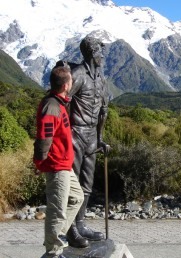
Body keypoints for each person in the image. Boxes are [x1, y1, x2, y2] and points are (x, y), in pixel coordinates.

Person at [33, 66, 85, 258]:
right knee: (57, 211)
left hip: (64, 164)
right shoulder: (51, 106)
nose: (72, 83)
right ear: (66, 85)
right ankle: (53, 254)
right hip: (56, 166)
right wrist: (40, 162)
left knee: (77, 198)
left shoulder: (60, 103)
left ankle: (57, 237)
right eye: (71, 81)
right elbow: (44, 138)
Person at [65, 35, 111, 246]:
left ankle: (81, 223)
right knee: (71, 184)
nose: (103, 56)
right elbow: (61, 102)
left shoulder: (100, 78)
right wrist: (64, 133)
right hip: (75, 134)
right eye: (100, 52)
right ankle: (70, 229)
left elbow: (104, 110)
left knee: (87, 184)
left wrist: (100, 138)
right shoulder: (77, 75)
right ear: (93, 53)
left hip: (92, 136)